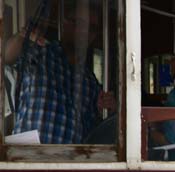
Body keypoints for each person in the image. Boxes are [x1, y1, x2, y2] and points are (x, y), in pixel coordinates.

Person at [4, 1, 116, 144]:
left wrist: (108, 109)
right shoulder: (40, 53)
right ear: (65, 24)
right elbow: (6, 58)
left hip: (72, 162)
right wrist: (22, 36)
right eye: (79, 23)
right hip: (30, 159)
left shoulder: (90, 81)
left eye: (91, 28)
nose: (85, 31)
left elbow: (93, 133)